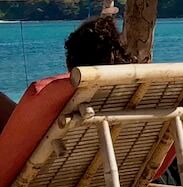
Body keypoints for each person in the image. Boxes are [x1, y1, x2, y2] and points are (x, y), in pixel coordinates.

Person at [0, 15, 135, 140]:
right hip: (122, 159)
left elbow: (25, 136)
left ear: (72, 61)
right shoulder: (134, 94)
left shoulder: (55, 94)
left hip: (52, 159)